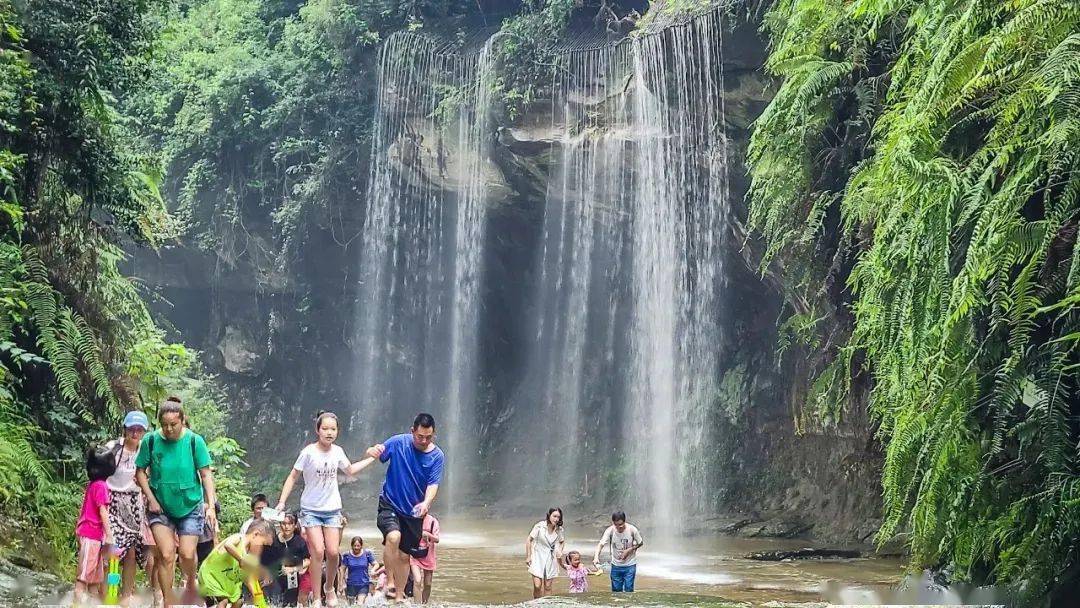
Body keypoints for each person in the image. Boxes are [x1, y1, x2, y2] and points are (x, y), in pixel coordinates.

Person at [274, 410, 381, 607]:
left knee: (333, 553)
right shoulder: (308, 453)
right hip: (311, 509)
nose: (329, 432)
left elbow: (350, 470)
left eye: (333, 429)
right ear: (317, 430)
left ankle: (329, 588)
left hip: (332, 509)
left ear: (337, 431)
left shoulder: (338, 451)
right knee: (318, 551)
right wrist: (282, 502)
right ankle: (316, 597)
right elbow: (293, 476)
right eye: (325, 428)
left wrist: (371, 458)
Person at [135, 396, 218, 607]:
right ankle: (168, 601)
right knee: (166, 554)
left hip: (190, 506)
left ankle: (191, 582)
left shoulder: (194, 441)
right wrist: (151, 498)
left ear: (182, 420)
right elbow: (140, 472)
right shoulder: (151, 441)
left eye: (173, 424)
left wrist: (211, 505)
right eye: (164, 425)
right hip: (160, 506)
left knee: (187, 554)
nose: (169, 429)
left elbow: (206, 474)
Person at [369, 413, 444, 603]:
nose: (424, 440)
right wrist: (372, 449)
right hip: (390, 503)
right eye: (420, 437)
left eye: (429, 437)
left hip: (414, 512)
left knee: (404, 556)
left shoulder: (437, 456)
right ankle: (390, 583)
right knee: (394, 537)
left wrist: (426, 503)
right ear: (412, 432)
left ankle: (400, 595)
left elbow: (433, 484)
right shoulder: (398, 442)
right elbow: (378, 452)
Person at [104, 410, 149, 604]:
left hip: (133, 504)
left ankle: (126, 594)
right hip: (111, 500)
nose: (135, 433)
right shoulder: (112, 448)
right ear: (125, 429)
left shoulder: (145, 451)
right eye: (132, 428)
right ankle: (109, 591)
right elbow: (98, 474)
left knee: (131, 550)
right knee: (113, 549)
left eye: (139, 430)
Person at [197, 519, 275, 608]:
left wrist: (258, 598)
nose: (262, 548)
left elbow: (248, 578)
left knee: (239, 601)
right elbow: (228, 545)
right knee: (223, 602)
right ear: (255, 534)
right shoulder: (239, 538)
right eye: (263, 544)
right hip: (210, 578)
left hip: (226, 584)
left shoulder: (248, 556)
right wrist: (241, 559)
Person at [75, 444, 117, 605]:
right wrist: (110, 535)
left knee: (94, 577)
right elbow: (103, 512)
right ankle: (76, 603)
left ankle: (92, 603)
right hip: (92, 535)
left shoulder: (93, 485)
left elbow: (84, 509)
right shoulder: (101, 486)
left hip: (91, 535)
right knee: (84, 577)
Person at [264, 512, 310, 607]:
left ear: (295, 525)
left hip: (292, 579)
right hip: (275, 579)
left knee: (290, 604)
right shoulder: (274, 540)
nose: (286, 527)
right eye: (284, 524)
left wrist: (293, 569)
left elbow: (307, 561)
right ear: (280, 524)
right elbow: (266, 560)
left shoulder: (299, 542)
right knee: (274, 603)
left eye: (290, 524)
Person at [592, 511, 644, 592]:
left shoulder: (632, 530)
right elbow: (600, 544)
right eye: (616, 525)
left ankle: (627, 604)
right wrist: (596, 557)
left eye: (620, 525)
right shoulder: (610, 530)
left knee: (629, 589)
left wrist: (629, 550)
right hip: (616, 565)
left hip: (630, 564)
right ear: (613, 523)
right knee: (616, 591)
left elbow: (640, 543)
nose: (618, 527)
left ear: (624, 521)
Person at [525, 508, 565, 598]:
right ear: (549, 516)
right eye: (554, 516)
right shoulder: (540, 526)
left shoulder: (559, 529)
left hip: (551, 558)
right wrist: (528, 556)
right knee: (537, 586)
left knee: (547, 587)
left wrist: (560, 551)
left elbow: (562, 541)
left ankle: (547, 605)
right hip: (537, 557)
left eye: (558, 517)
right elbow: (529, 539)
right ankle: (536, 603)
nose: (556, 519)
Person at [409, 514, 440, 604]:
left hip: (428, 555)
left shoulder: (433, 521)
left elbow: (437, 539)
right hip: (414, 554)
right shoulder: (411, 519)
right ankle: (417, 605)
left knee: (428, 584)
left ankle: (424, 604)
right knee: (417, 580)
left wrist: (428, 535)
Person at [340, 537, 375, 604]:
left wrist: (373, 569)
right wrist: (341, 584)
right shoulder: (347, 556)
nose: (356, 547)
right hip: (351, 585)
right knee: (351, 605)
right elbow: (342, 569)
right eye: (354, 546)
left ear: (361, 546)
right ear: (352, 546)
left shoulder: (367, 554)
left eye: (358, 545)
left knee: (360, 604)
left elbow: (376, 564)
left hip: (363, 584)